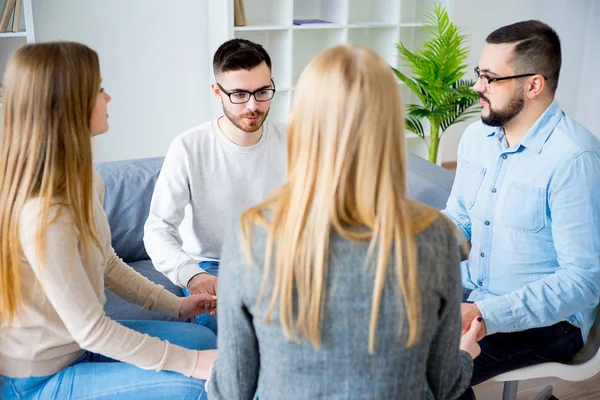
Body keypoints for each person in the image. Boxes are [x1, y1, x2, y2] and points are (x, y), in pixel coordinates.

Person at [205, 44, 482, 400]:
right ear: (388, 127)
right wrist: (464, 354)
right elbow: (445, 384)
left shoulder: (250, 234)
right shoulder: (434, 237)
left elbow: (231, 390)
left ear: (304, 124)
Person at [0, 42, 218, 400]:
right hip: (37, 378)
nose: (109, 98)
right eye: (99, 89)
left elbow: (107, 264)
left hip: (74, 346)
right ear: (69, 103)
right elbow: (92, 330)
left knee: (202, 338)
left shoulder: (83, 178)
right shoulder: (45, 213)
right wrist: (191, 364)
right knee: (199, 384)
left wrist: (174, 305)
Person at [441, 20, 600, 397]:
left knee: (429, 371)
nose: (478, 86)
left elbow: (583, 281)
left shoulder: (574, 159)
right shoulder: (477, 136)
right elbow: (459, 217)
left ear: (533, 85)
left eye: (490, 78)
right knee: (378, 334)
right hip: (473, 289)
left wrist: (484, 314)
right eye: (479, 74)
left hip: (550, 323)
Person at [143, 38, 287, 334]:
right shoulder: (188, 147)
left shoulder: (297, 140)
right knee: (227, 327)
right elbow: (158, 229)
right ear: (216, 92)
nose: (253, 106)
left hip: (279, 263)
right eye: (238, 94)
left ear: (272, 84)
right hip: (213, 266)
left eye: (262, 92)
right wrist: (191, 275)